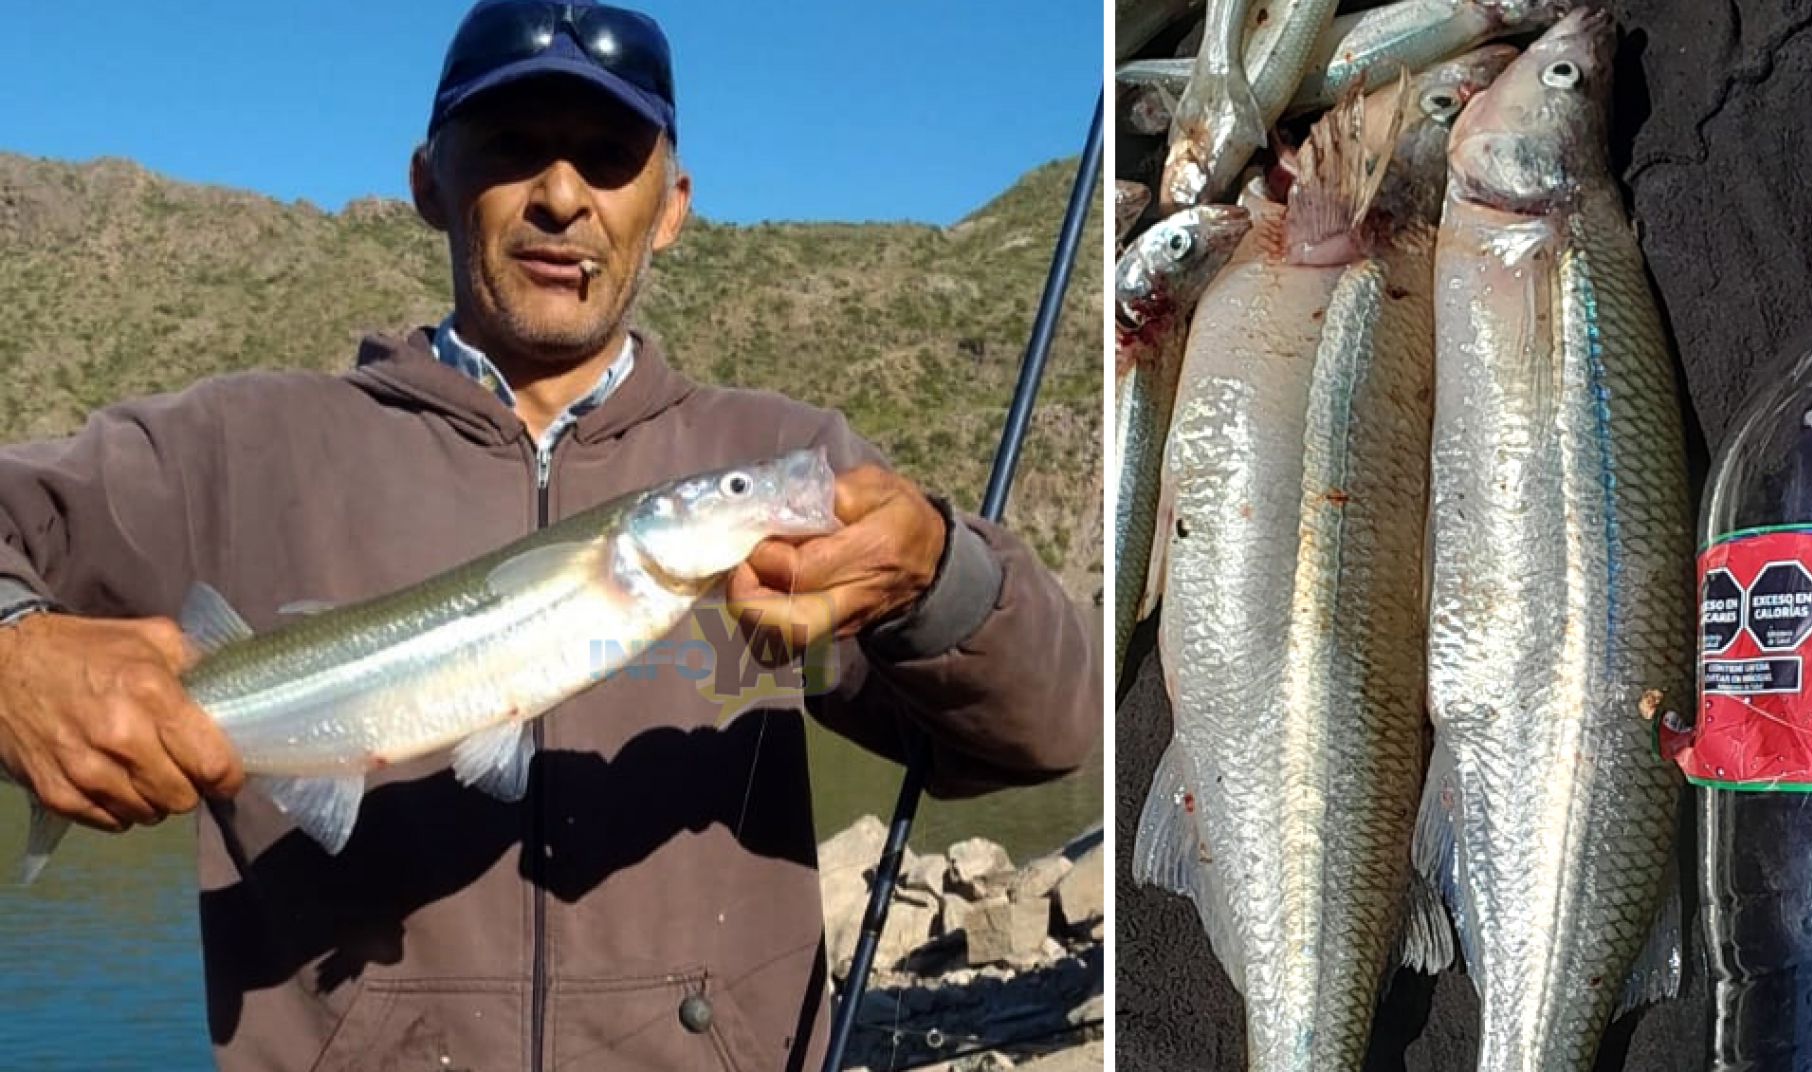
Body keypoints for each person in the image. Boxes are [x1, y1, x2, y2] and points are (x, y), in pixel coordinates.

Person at [0, 2, 1100, 1068]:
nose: (562, 196)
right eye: (512, 146)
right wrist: (14, 649)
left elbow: (1050, 733)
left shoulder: (779, 459)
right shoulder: (239, 447)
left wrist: (939, 578)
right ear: (431, 183)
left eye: (610, 156)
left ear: (670, 205)